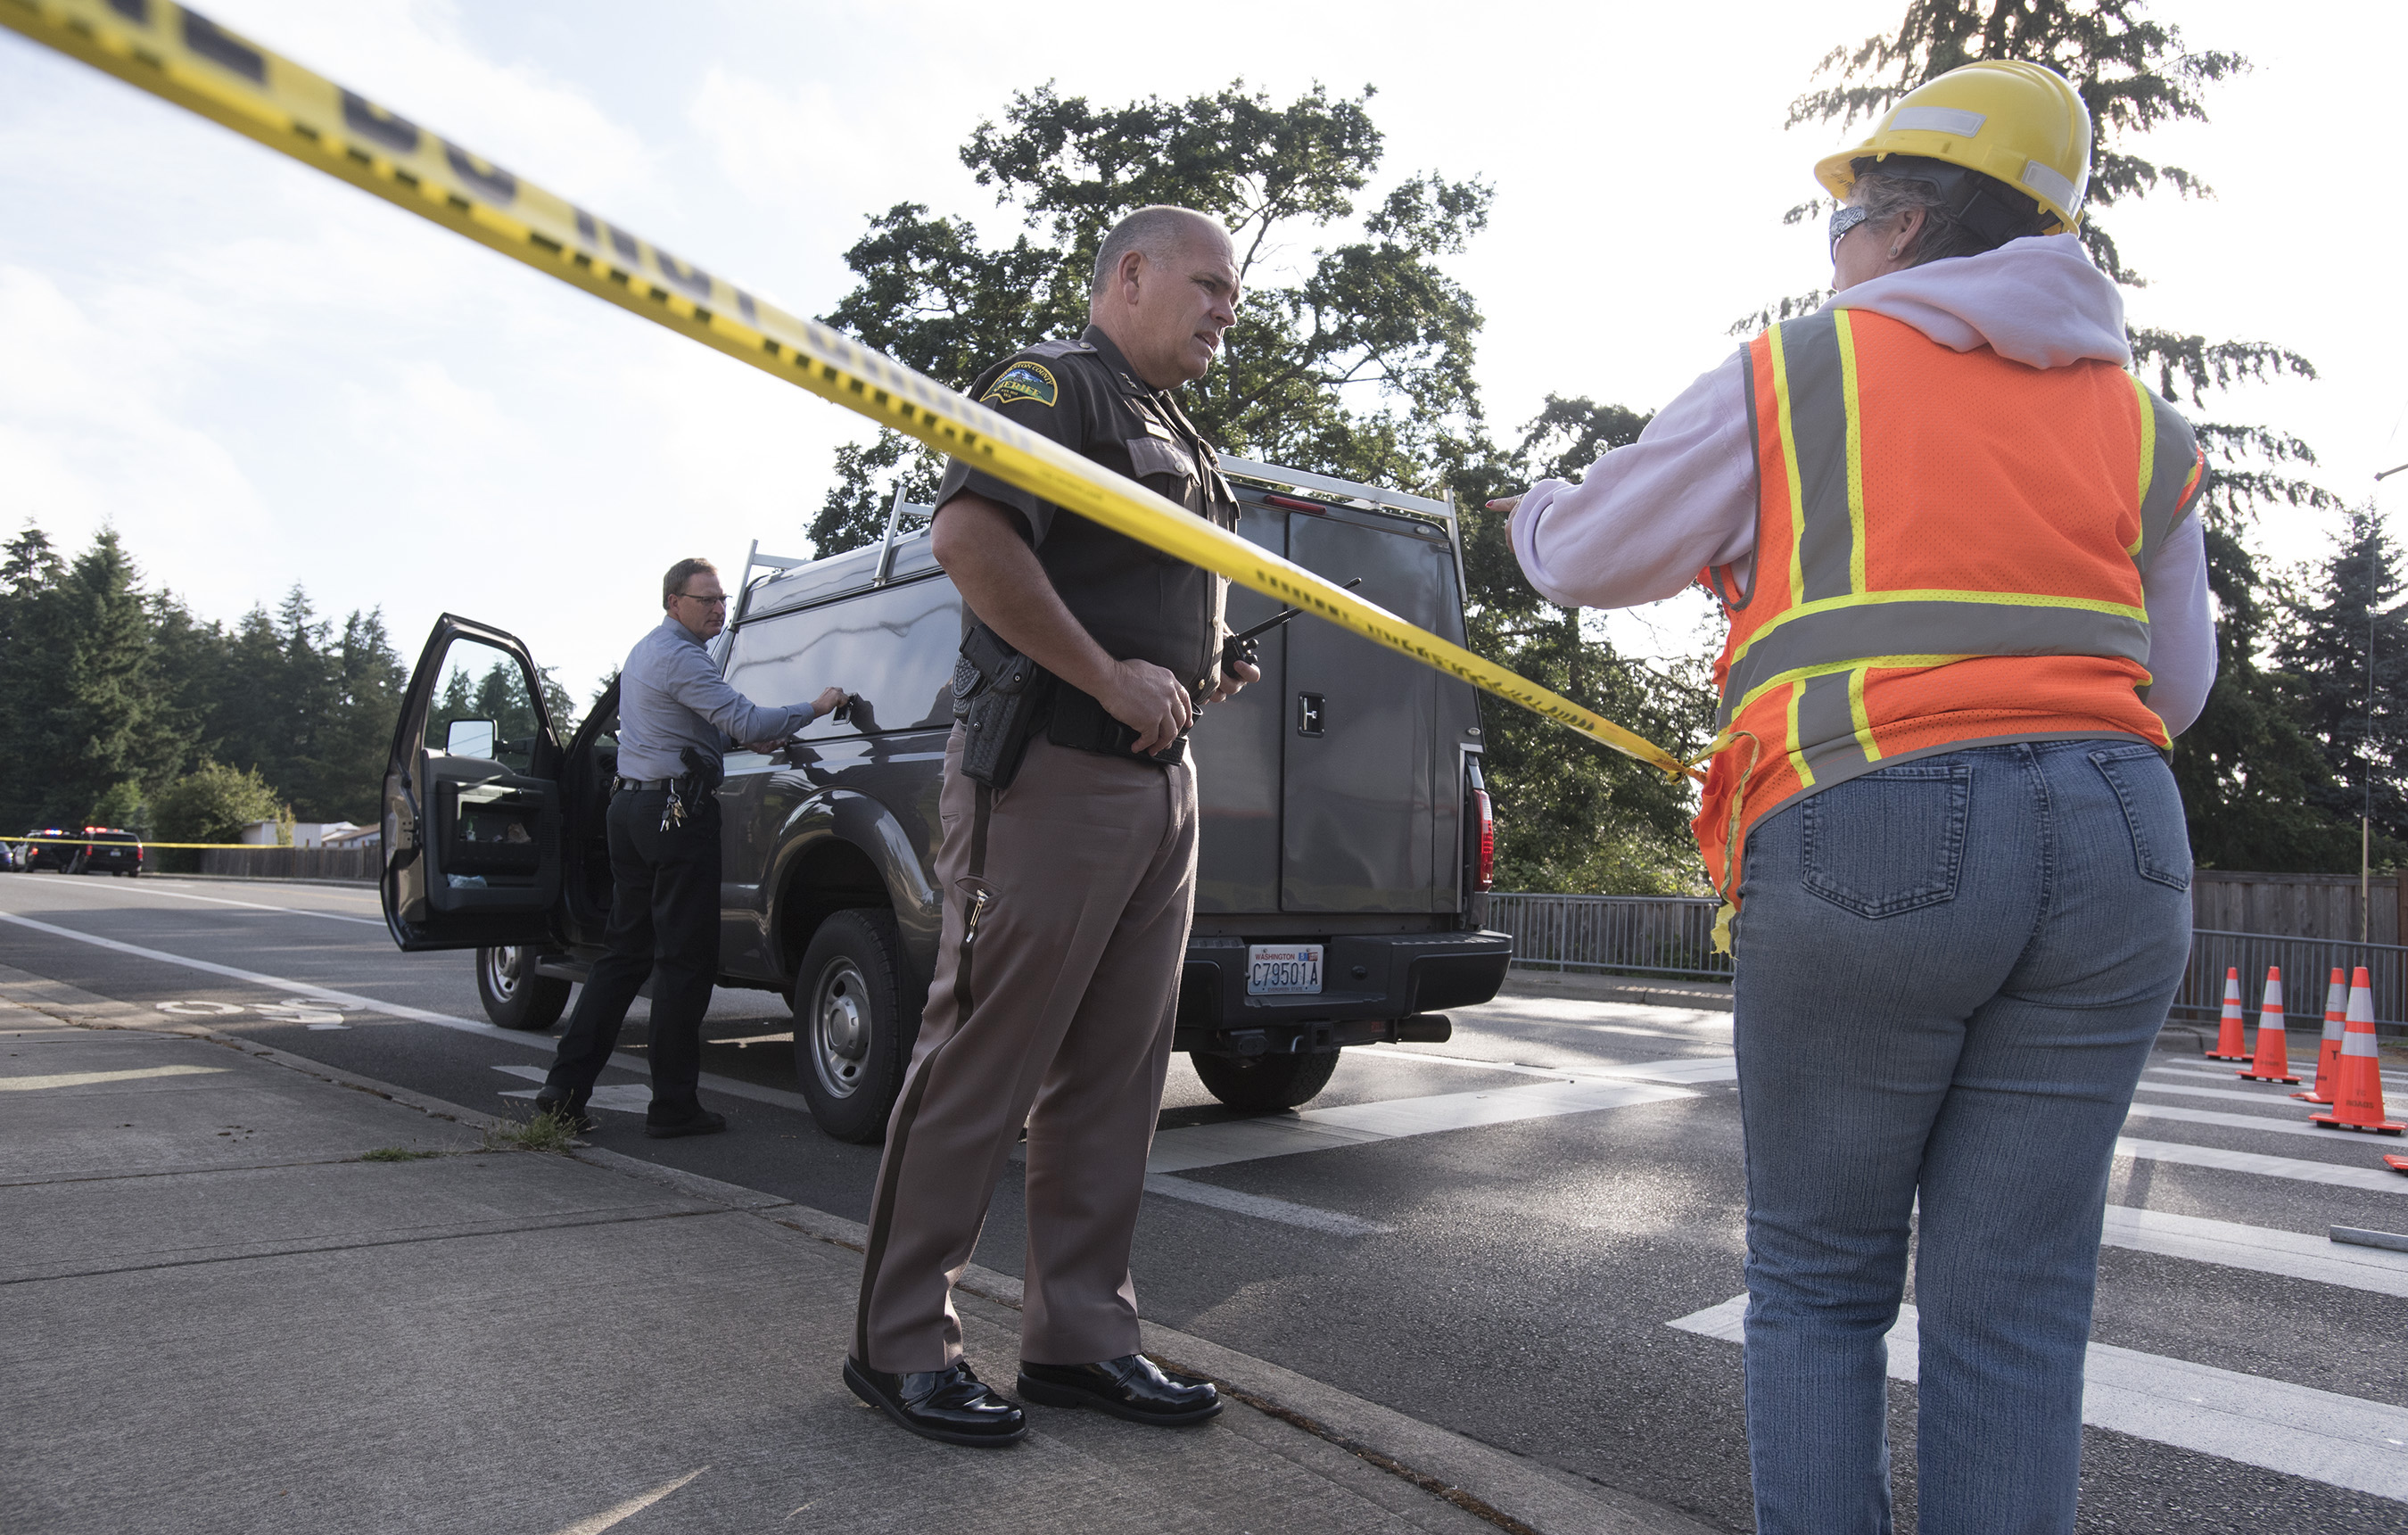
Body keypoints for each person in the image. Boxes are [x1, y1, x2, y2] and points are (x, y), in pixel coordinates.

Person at [1499, 62, 2211, 1535]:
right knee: (2014, 1316)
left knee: (1822, 1288)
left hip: (1872, 828)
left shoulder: (1807, 366)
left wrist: (1532, 510)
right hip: (2123, 844)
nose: (1832, 255)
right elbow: (2177, 687)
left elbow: (1583, 555)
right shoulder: (2142, 426)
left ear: (1897, 222)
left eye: (1844, 227)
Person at [844, 204, 1259, 1447]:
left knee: (1118, 1080)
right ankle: (900, 1344)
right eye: (1208, 286)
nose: (1225, 311)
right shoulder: (1053, 387)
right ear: (1128, 275)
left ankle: (1080, 1338)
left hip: (1154, 780)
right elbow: (971, 540)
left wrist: (1199, 662)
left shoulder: (1178, 428)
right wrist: (1105, 674)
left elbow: (1132, 586)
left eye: (1232, 297)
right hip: (1051, 775)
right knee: (981, 1061)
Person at [535, 558, 844, 1138]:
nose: (718, 608)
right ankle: (673, 1105)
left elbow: (693, 725)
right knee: (684, 960)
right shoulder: (681, 656)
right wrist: (814, 707)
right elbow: (747, 718)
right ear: (673, 601)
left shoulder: (646, 651)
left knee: (624, 954)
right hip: (674, 815)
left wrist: (737, 732)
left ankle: (563, 1088)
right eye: (705, 599)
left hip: (631, 808)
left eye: (721, 598)